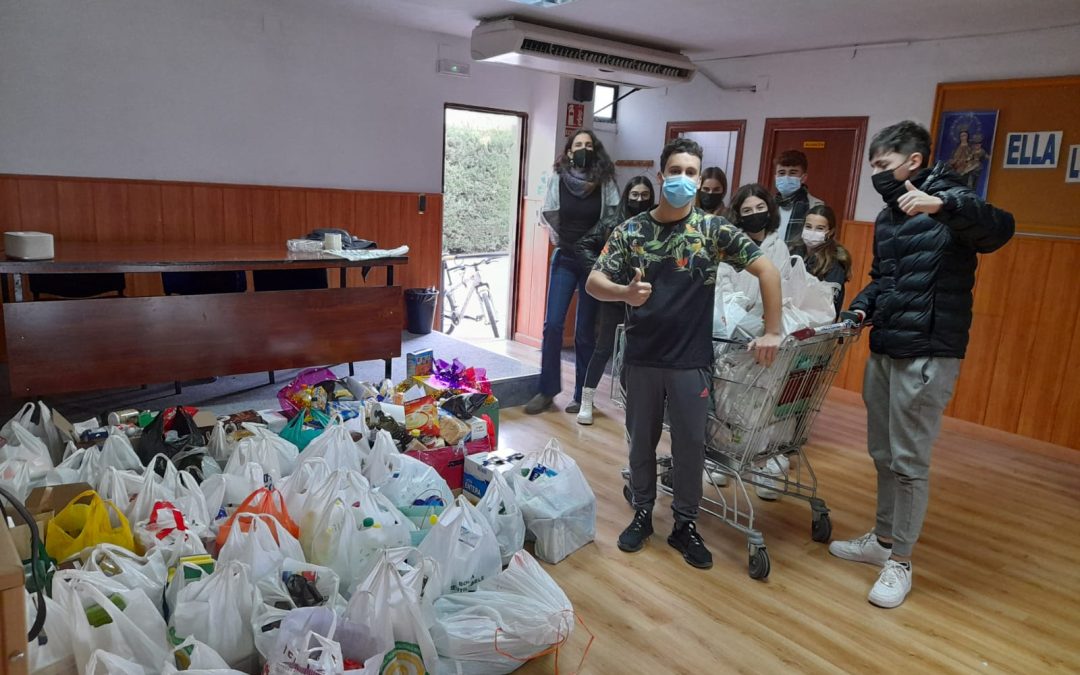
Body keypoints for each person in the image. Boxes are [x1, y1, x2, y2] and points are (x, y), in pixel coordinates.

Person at [829, 120, 1014, 608]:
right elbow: (885, 279)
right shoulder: (891, 216)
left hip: (930, 350)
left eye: (884, 166)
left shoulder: (950, 200)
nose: (877, 175)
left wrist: (944, 205)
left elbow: (1000, 228)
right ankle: (882, 540)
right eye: (872, 167)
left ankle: (901, 562)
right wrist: (859, 308)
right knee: (883, 454)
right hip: (887, 347)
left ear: (914, 162)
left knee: (910, 462)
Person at [586, 137, 783, 569]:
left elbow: (766, 269)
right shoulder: (632, 230)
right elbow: (594, 282)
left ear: (700, 179)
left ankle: (685, 525)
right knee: (641, 442)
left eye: (691, 173)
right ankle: (641, 513)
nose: (682, 179)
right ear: (661, 176)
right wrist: (624, 293)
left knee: (691, 447)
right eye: (675, 171)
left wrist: (773, 330)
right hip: (641, 358)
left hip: (691, 360)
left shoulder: (713, 231)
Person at [525, 130, 621, 416]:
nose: (583, 149)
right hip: (566, 256)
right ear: (568, 152)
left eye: (588, 145)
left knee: (584, 332)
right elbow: (549, 213)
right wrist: (568, 244)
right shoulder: (558, 178)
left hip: (593, 260)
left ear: (595, 150)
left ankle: (583, 396)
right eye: (578, 145)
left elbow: (611, 217)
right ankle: (547, 390)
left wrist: (589, 246)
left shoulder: (604, 182)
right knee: (553, 325)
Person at [720, 184, 794, 500]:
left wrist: (768, 325)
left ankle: (766, 465)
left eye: (759, 209)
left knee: (766, 404)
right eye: (746, 211)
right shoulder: (727, 246)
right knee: (729, 399)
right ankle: (725, 456)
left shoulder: (780, 248)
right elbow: (723, 290)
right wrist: (743, 316)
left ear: (770, 211)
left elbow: (784, 289)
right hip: (735, 336)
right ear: (737, 215)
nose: (754, 215)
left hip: (770, 337)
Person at [573, 176, 656, 425]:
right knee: (604, 348)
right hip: (615, 296)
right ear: (626, 195)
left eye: (644, 196)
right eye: (634, 195)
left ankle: (633, 406)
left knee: (636, 352)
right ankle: (586, 400)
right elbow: (582, 245)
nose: (639, 200)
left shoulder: (657, 226)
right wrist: (602, 273)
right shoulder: (612, 223)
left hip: (645, 298)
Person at [789, 204, 852, 318]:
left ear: (830, 232)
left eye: (820, 228)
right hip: (787, 316)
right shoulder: (793, 251)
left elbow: (826, 304)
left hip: (814, 324)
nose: (812, 232)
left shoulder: (835, 261)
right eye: (808, 226)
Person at [774, 150, 823, 243]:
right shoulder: (767, 204)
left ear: (803, 178)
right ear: (775, 177)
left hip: (799, 256)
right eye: (781, 173)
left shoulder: (816, 206)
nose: (786, 177)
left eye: (792, 173)